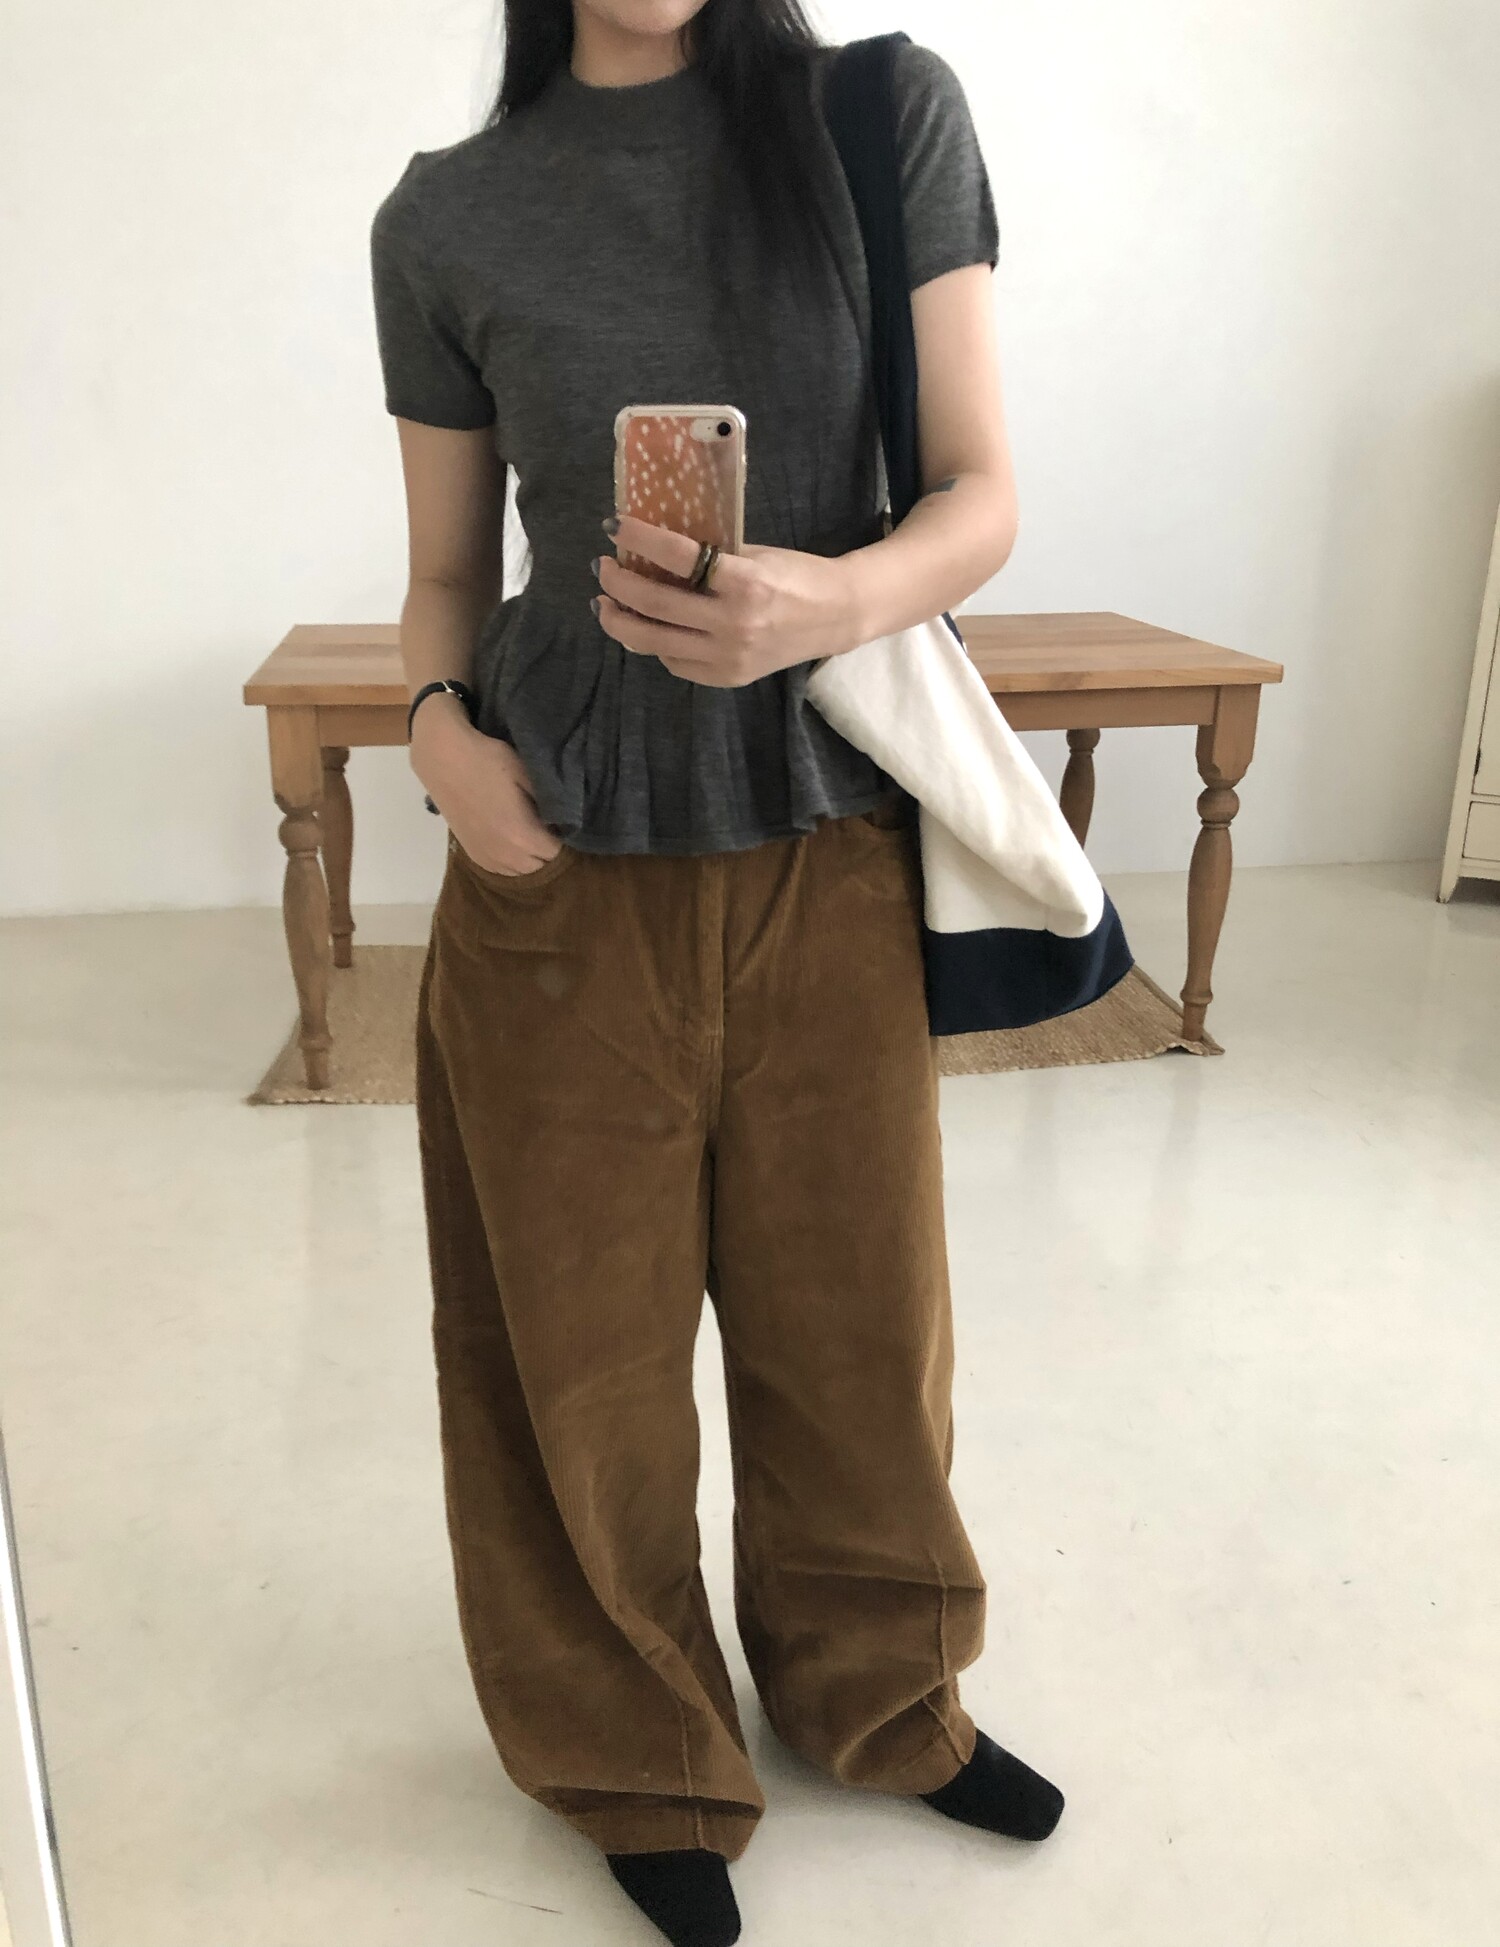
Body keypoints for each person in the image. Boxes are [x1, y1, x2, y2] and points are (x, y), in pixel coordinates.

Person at [370, 4, 1063, 1941]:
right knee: (566, 1360)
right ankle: (634, 1749)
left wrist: (830, 600)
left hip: (826, 851)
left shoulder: (875, 117)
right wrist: (437, 736)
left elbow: (981, 493)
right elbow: (444, 577)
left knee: (861, 1332)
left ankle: (884, 1698)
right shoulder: (446, 215)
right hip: (555, 872)